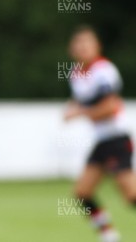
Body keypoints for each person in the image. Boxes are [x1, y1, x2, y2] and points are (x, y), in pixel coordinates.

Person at [63, 25, 136, 242]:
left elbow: (110, 108)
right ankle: (109, 235)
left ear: (97, 46)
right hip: (101, 141)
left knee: (131, 196)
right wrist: (74, 109)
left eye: (87, 43)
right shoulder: (75, 74)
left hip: (117, 138)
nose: (82, 48)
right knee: (83, 193)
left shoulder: (104, 70)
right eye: (78, 43)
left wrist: (79, 113)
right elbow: (85, 101)